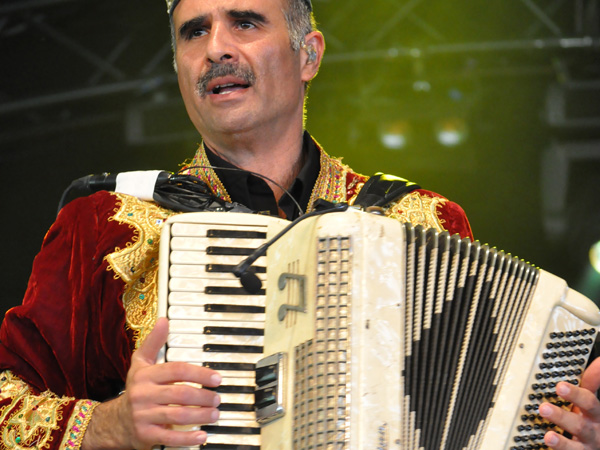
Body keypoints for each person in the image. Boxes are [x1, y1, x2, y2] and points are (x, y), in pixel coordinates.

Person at [0, 0, 594, 449]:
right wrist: (111, 424)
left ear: (308, 55)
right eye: (194, 32)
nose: (216, 48)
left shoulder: (423, 221)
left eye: (245, 23)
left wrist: (573, 434)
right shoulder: (102, 226)